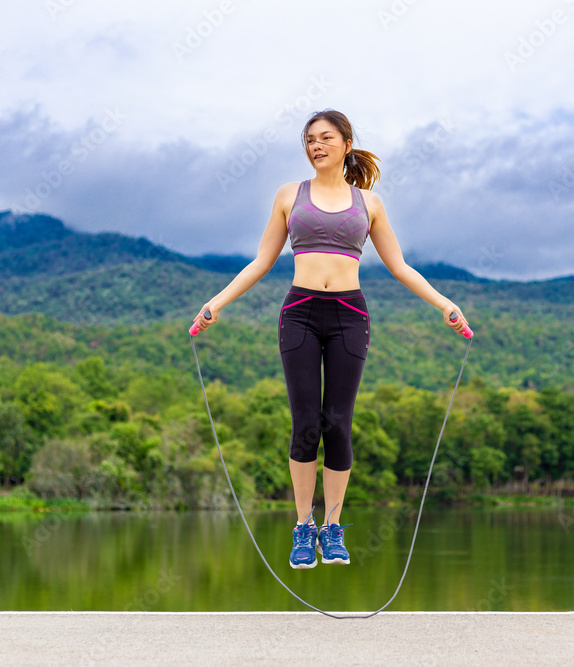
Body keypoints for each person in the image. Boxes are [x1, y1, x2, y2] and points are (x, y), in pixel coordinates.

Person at [192, 108, 470, 569]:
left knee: (337, 424)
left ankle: (333, 528)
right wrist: (215, 303)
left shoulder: (370, 204)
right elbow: (261, 261)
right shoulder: (288, 196)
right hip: (299, 313)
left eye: (324, 138)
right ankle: (304, 527)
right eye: (309, 139)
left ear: (345, 143)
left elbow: (399, 267)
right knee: (305, 425)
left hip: (349, 316)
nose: (315, 145)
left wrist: (445, 304)